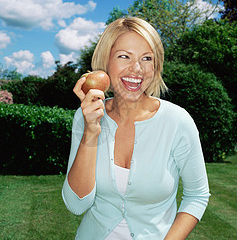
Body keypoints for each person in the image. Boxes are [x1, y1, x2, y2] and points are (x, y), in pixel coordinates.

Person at [62, 17, 210, 239]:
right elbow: (76, 205)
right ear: (106, 60)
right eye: (124, 56)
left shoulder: (177, 121)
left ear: (156, 66)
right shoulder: (87, 115)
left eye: (147, 58)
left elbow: (197, 195)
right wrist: (90, 132)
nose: (137, 69)